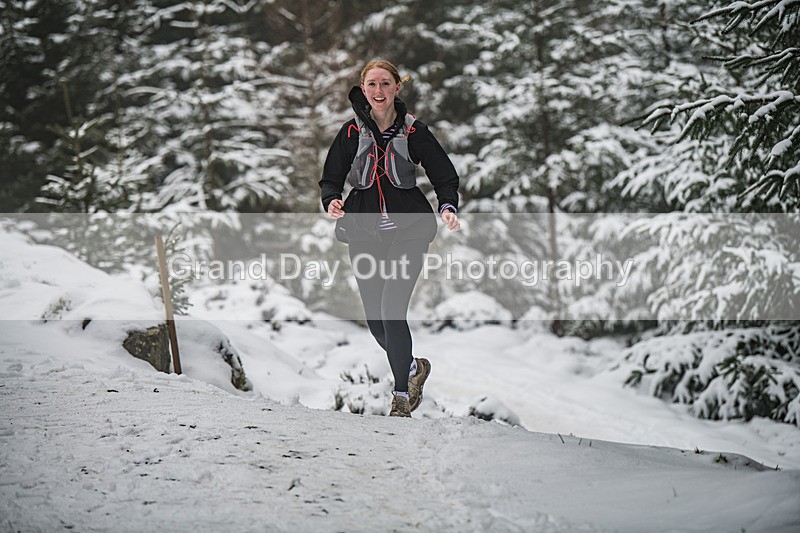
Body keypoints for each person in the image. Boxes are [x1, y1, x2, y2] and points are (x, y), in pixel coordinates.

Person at [319, 59, 461, 418]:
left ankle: (401, 397)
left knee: (392, 311)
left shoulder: (414, 132)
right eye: (372, 85)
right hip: (364, 233)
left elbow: (444, 175)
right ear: (363, 89)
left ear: (398, 88)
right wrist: (332, 200)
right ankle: (413, 368)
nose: (379, 91)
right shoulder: (351, 133)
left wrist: (447, 205)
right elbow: (331, 177)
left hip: (409, 233)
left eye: (385, 84)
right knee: (375, 321)